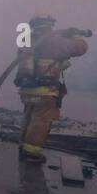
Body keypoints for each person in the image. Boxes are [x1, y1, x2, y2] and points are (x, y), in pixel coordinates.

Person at [15, 14, 89, 162]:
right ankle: (31, 152)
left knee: (29, 116)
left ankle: (24, 145)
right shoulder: (54, 42)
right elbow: (80, 48)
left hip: (26, 89)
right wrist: (75, 35)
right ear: (49, 26)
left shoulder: (27, 41)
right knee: (41, 120)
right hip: (45, 91)